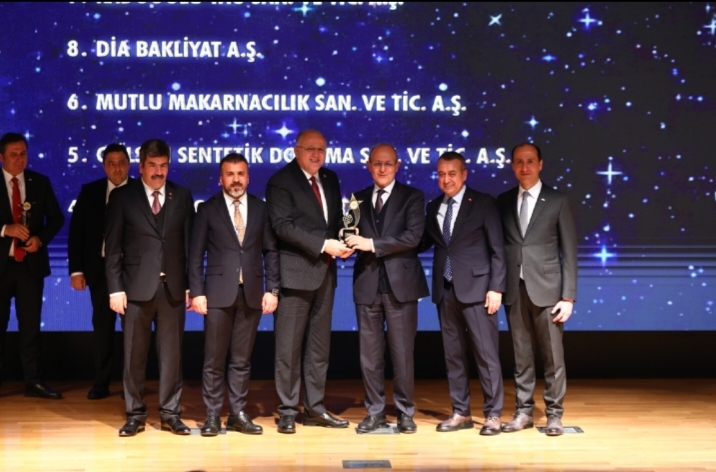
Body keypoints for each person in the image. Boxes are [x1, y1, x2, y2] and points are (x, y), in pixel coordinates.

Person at [105, 139, 195, 437]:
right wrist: (115, 289)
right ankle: (135, 415)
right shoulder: (123, 197)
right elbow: (113, 248)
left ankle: (171, 414)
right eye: (153, 166)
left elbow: (189, 247)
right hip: (134, 291)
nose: (159, 172)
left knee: (172, 356)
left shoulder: (181, 195)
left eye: (164, 166)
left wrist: (191, 286)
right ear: (141, 166)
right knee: (134, 356)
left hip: (172, 290)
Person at [265, 129, 352, 434]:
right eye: (310, 149)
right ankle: (288, 410)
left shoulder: (330, 178)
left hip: (325, 274)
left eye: (321, 149)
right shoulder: (281, 181)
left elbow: (335, 222)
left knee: (319, 347)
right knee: (288, 349)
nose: (316, 155)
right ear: (296, 150)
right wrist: (324, 245)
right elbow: (282, 227)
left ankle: (315, 408)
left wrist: (346, 238)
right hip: (295, 276)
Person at [189, 153, 280, 437]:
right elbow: (195, 255)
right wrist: (197, 292)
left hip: (251, 294)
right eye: (230, 174)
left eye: (241, 174)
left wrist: (273, 289)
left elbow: (271, 252)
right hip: (217, 295)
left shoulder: (261, 208)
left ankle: (238, 414)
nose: (236, 179)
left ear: (248, 177)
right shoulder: (207, 209)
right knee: (214, 359)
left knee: (242, 360)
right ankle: (212, 416)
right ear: (221, 178)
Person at [344, 144, 428, 434]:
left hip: (401, 287)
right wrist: (345, 244)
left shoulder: (413, 197)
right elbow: (349, 232)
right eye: (377, 164)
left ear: (397, 166)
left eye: (388, 164)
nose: (382, 169)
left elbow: (413, 237)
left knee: (402, 354)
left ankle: (405, 412)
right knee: (369, 357)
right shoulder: (357, 199)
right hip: (367, 284)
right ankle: (375, 412)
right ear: (368, 165)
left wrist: (371, 244)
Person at [421, 151, 506, 436]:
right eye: (441, 174)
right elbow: (422, 242)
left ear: (464, 174)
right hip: (445, 291)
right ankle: (461, 412)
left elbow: (498, 249)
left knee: (486, 354)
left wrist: (496, 288)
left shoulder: (483, 203)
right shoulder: (434, 206)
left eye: (452, 174)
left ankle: (493, 414)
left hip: (479, 291)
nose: (446, 179)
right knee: (453, 356)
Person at [496, 143, 577, 437]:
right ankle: (523, 412)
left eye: (530, 161)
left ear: (540, 164)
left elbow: (569, 251)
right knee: (521, 356)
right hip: (514, 290)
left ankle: (554, 414)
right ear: (512, 166)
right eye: (519, 162)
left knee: (553, 357)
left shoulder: (557, 200)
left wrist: (568, 296)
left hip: (549, 292)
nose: (524, 167)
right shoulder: (503, 201)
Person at [0, 132, 65, 399]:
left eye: (23, 154)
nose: (19, 159)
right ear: (1, 157)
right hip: (2, 267)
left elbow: (57, 219)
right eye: (13, 155)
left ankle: (34, 382)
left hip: (30, 267)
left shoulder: (39, 182)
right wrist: (5, 229)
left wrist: (40, 239)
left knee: (30, 327)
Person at [68, 143, 130, 400]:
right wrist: (76, 270)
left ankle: (131, 386)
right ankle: (101, 382)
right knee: (103, 328)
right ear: (104, 166)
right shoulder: (90, 192)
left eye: (121, 162)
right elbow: (77, 233)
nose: (117, 168)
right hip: (100, 270)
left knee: (133, 332)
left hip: (133, 272)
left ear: (129, 164)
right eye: (111, 163)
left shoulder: (140, 191)